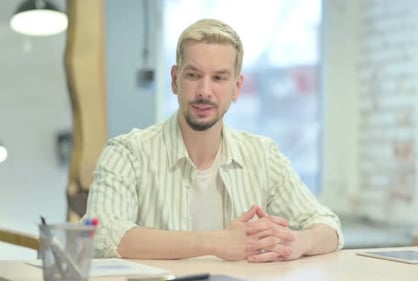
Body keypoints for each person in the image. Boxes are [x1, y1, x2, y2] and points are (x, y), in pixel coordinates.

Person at [82, 18, 343, 263]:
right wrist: (217, 243)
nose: (204, 91)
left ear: (237, 88)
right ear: (175, 80)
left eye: (219, 78)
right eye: (194, 75)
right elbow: (101, 233)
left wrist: (298, 241)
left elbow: (327, 226)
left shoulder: (263, 155)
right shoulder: (127, 153)